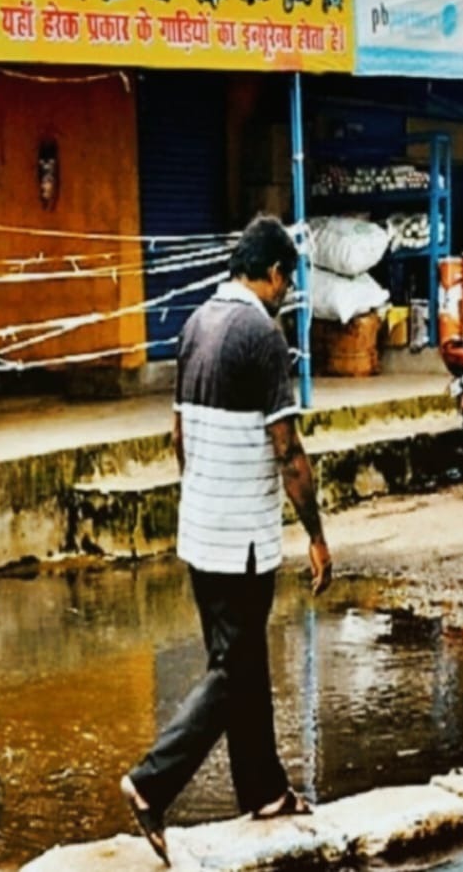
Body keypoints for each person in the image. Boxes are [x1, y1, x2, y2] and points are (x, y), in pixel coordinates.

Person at [120, 216, 332, 866]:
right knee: (233, 668)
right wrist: (317, 534)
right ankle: (151, 781)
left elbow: (178, 434)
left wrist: (202, 492)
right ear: (272, 274)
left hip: (201, 525)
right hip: (242, 534)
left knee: (241, 659)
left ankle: (263, 789)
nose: (285, 294)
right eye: (286, 283)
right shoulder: (262, 336)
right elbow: (288, 450)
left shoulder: (195, 324)